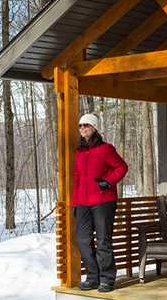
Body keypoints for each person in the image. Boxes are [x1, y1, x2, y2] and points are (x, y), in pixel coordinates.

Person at [73, 113, 128, 293]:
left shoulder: (106, 149)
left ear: (94, 128)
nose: (82, 128)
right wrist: (75, 202)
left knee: (103, 241)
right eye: (80, 126)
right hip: (83, 203)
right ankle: (93, 276)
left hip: (103, 201)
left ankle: (107, 278)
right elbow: (77, 178)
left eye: (86, 125)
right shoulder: (79, 152)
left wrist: (109, 181)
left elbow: (121, 167)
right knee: (82, 240)